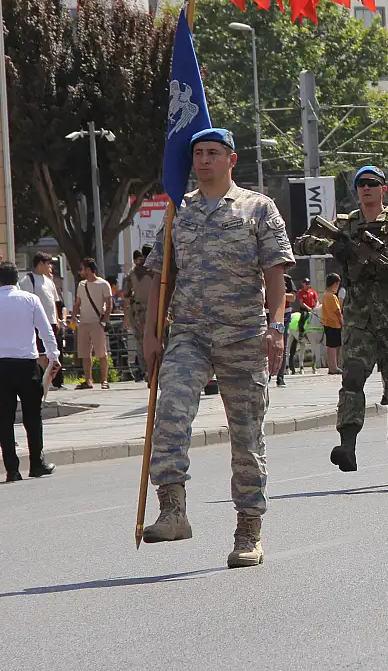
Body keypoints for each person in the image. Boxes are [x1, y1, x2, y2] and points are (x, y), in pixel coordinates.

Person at [141, 128, 293, 568]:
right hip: (188, 332)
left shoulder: (258, 208)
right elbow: (160, 276)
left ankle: (249, 530)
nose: (204, 160)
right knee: (171, 413)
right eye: (199, 153)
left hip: (244, 335)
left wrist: (276, 325)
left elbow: (275, 274)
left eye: (213, 153)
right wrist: (152, 334)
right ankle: (172, 509)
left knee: (246, 437)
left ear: (232, 159)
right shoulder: (177, 211)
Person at [295, 165, 388, 484]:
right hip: (358, 318)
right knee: (352, 378)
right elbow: (301, 244)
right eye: (362, 184)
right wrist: (335, 247)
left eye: (373, 184)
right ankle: (347, 445)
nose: (367, 188)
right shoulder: (346, 224)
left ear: (384, 189)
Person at [0, 261, 61, 481]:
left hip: (1, 365)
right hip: (27, 364)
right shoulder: (30, 300)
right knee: (32, 415)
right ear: (16, 279)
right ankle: (37, 464)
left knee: (5, 416)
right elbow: (45, 330)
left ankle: (12, 469)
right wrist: (53, 356)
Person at [20, 252, 64, 390]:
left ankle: (54, 381)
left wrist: (57, 319)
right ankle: (44, 380)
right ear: (40, 264)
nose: (50, 266)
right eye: (47, 263)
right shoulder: (28, 280)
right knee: (42, 353)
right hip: (37, 322)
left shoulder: (49, 281)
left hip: (51, 322)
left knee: (54, 352)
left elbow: (54, 302)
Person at [72, 257, 112, 389]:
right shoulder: (81, 285)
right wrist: (74, 316)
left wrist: (104, 321)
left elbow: (109, 304)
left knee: (101, 352)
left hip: (97, 322)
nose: (80, 272)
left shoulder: (103, 284)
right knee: (85, 353)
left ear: (88, 269)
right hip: (84, 322)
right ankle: (88, 380)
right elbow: (78, 303)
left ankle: (104, 380)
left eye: (82, 269)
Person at [121, 247, 153, 382]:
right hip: (156, 311)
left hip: (139, 312)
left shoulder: (132, 273)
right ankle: (159, 370)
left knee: (141, 343)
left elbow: (126, 294)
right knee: (160, 341)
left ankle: (147, 372)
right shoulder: (157, 270)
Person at [322, 273, 343, 375]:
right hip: (334, 323)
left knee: (330, 346)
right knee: (334, 346)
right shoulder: (332, 296)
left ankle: (331, 366)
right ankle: (334, 367)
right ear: (335, 283)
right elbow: (337, 311)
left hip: (326, 323)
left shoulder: (325, 294)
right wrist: (342, 322)